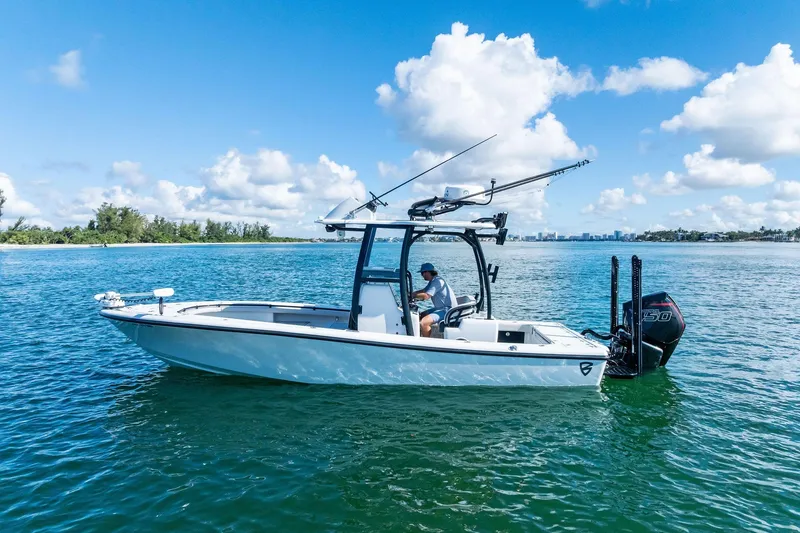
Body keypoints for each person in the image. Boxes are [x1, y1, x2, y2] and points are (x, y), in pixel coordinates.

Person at [410, 262, 457, 337]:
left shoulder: (437, 281)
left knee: (424, 323)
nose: (422, 275)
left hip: (447, 310)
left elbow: (426, 296)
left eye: (422, 273)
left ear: (427, 272)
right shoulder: (433, 280)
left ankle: (426, 344)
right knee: (421, 315)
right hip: (440, 308)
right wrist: (411, 293)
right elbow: (424, 291)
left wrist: (413, 296)